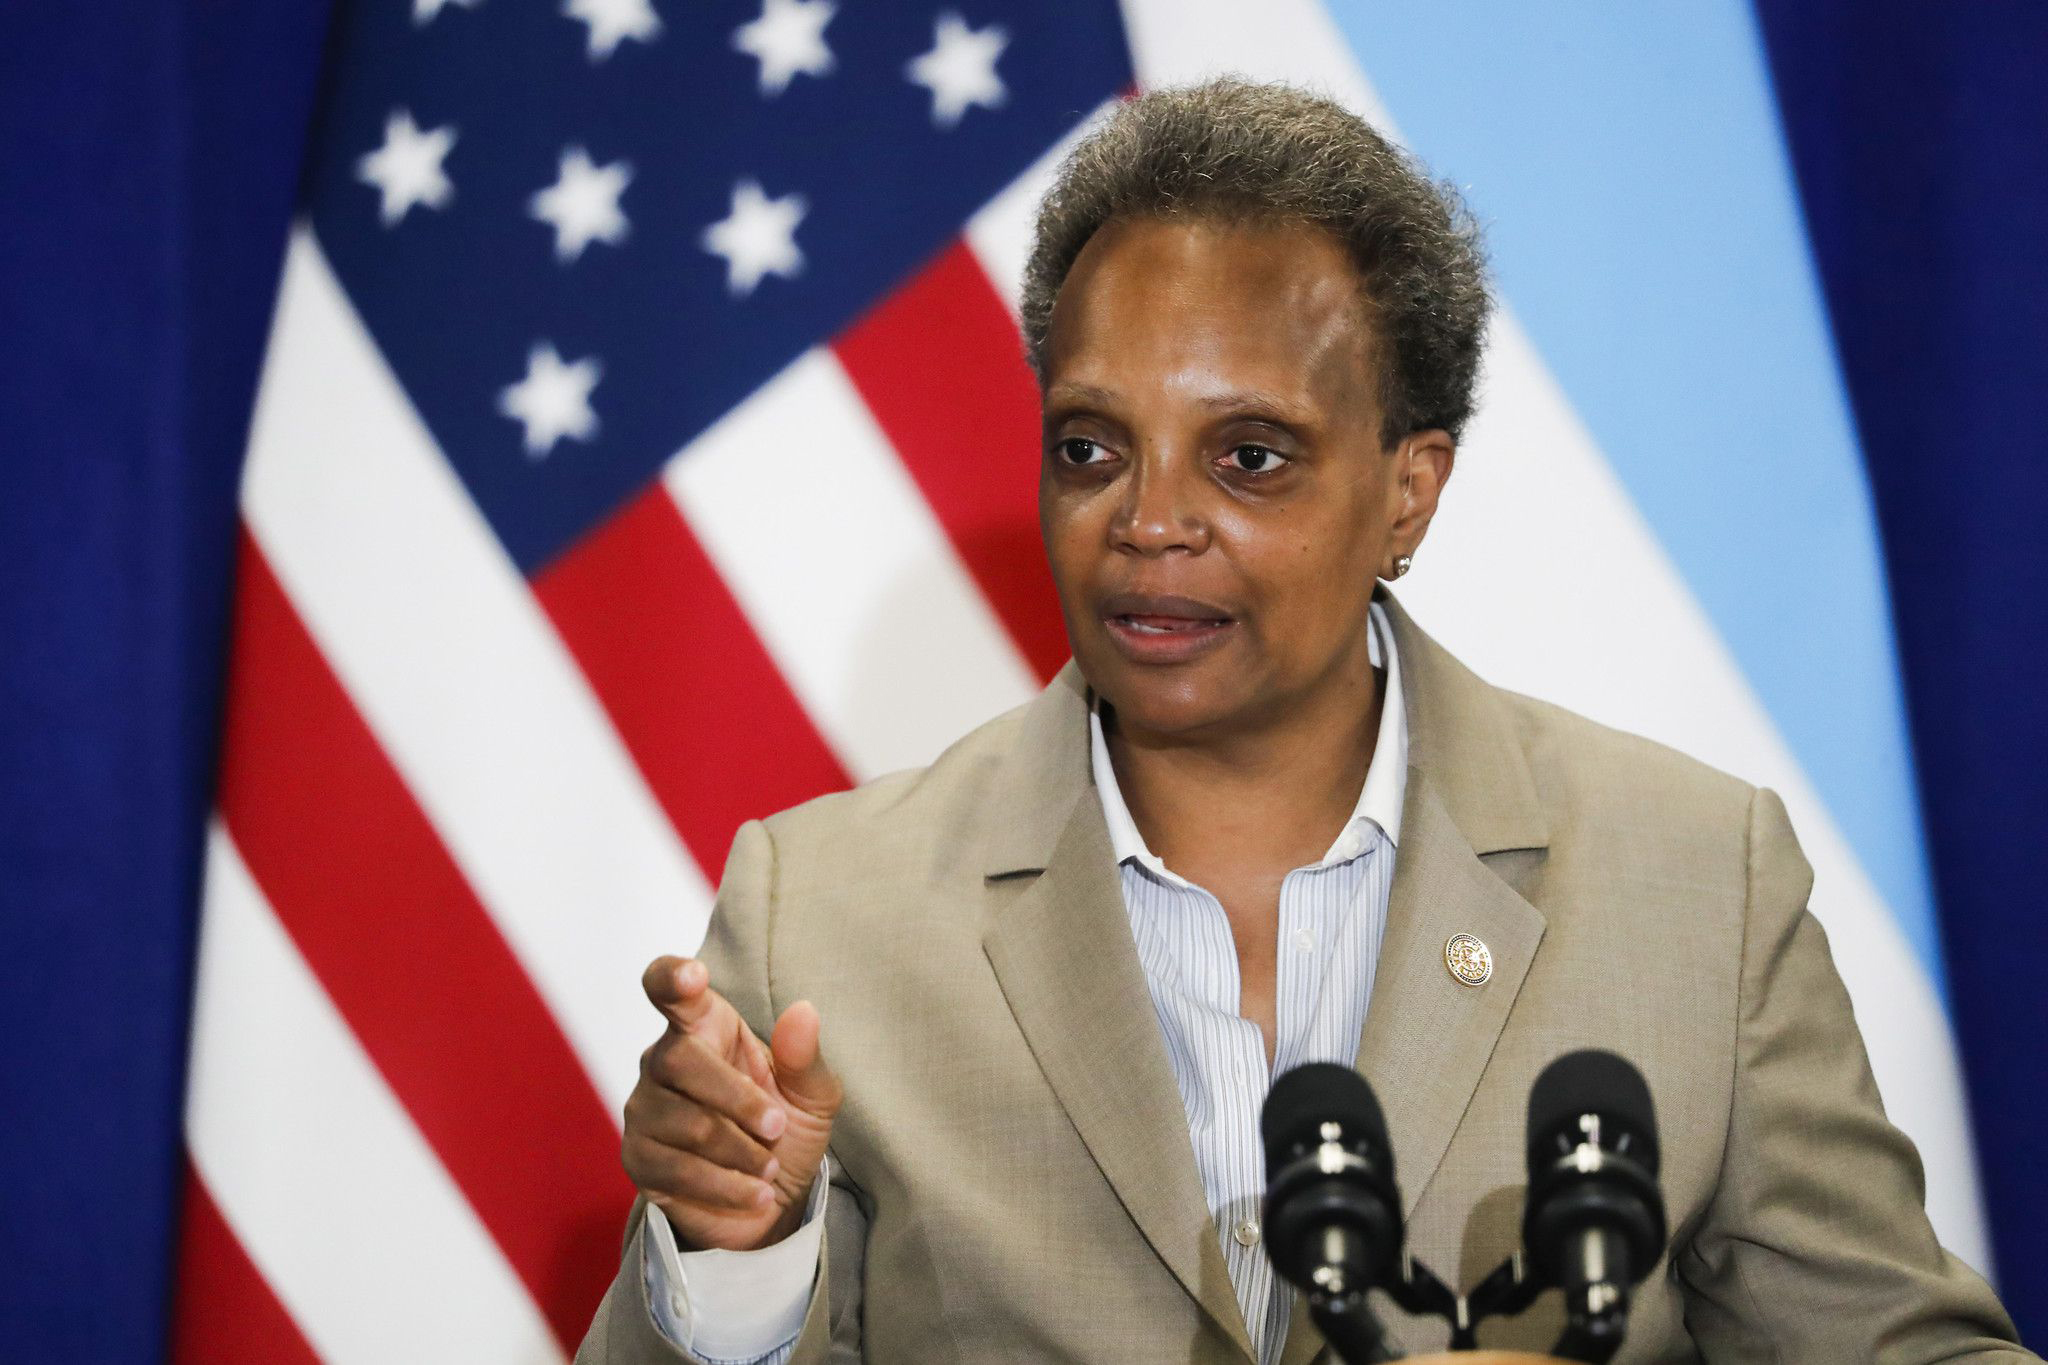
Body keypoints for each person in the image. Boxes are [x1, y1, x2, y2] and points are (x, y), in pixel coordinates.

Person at [576, 80, 2030, 1363]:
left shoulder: (1697, 883)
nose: (1147, 521)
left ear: (1410, 489)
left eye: (1249, 456)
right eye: (1090, 447)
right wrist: (737, 1262)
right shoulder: (825, 909)